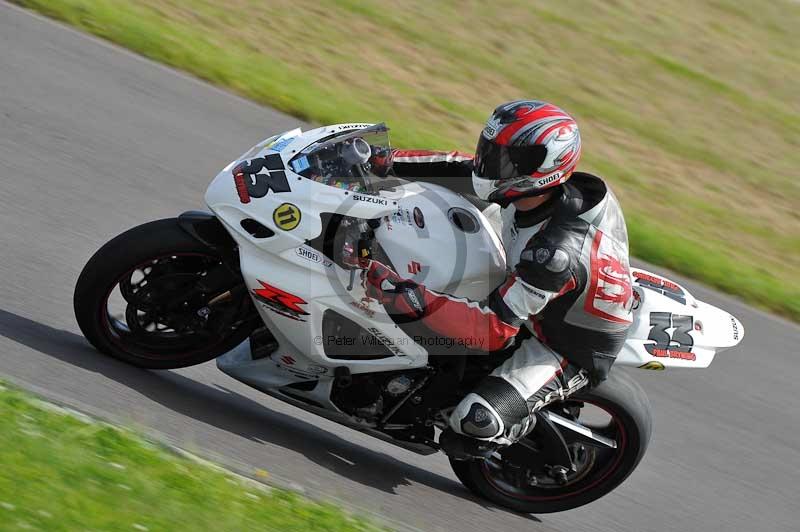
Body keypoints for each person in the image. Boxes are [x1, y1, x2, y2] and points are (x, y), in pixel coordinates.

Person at [362, 100, 635, 458]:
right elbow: (457, 168)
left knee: (474, 424)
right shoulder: (532, 191)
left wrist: (398, 292)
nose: (491, 164)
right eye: (492, 151)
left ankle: (517, 429)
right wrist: (380, 160)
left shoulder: (553, 255)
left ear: (544, 169)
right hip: (536, 279)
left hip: (564, 344)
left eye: (506, 159)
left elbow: (491, 331)